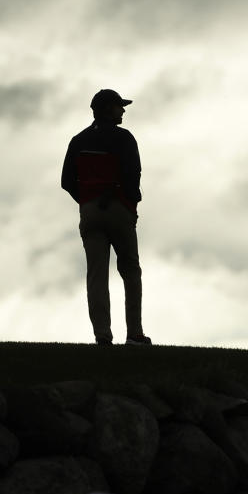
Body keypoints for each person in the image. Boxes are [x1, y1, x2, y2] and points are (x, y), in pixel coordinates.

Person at [62, 88, 151, 346]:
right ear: (107, 110)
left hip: (89, 211)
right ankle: (134, 334)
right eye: (118, 106)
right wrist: (129, 203)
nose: (123, 110)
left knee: (96, 274)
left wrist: (87, 200)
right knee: (131, 271)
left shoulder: (77, 140)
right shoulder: (124, 138)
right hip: (119, 208)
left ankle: (102, 335)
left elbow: (67, 181)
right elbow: (133, 174)